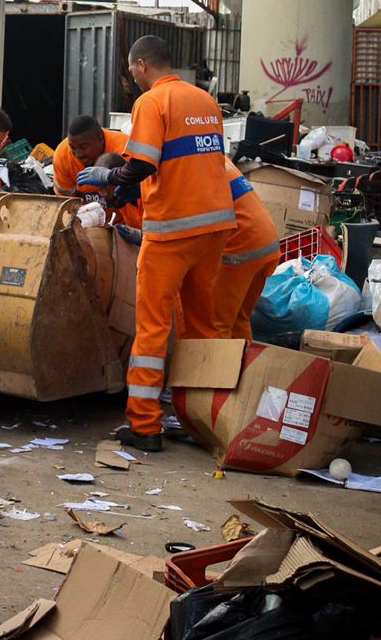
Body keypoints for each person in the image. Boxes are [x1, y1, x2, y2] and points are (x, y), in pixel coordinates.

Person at [76, 36, 233, 452]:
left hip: (173, 230)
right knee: (202, 327)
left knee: (152, 326)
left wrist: (106, 179)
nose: (133, 80)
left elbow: (142, 163)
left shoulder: (152, 102)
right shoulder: (205, 100)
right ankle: (203, 419)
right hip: (215, 226)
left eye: (132, 72)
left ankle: (145, 425)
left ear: (142, 65)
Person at [212, 160, 281, 340]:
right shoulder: (219, 160)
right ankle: (243, 367)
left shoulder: (195, 167)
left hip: (241, 249)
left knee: (217, 324)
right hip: (267, 243)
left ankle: (218, 368)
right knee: (239, 320)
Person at [52, 115, 130, 198]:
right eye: (73, 148)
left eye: (83, 147)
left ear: (100, 138)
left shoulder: (126, 150)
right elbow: (65, 202)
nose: (78, 154)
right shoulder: (63, 156)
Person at [83, 150, 143, 230]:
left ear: (120, 179)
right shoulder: (122, 200)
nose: (104, 194)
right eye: (99, 187)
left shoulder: (147, 198)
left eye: (107, 186)